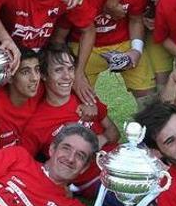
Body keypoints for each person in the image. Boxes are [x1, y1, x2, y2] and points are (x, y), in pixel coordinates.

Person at [21, 45, 121, 196]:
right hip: (97, 180)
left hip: (120, 159)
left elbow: (114, 132)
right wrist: (59, 184)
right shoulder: (37, 124)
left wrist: (102, 138)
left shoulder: (85, 98)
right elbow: (26, 164)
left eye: (70, 69)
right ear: (44, 75)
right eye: (58, 70)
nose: (67, 76)